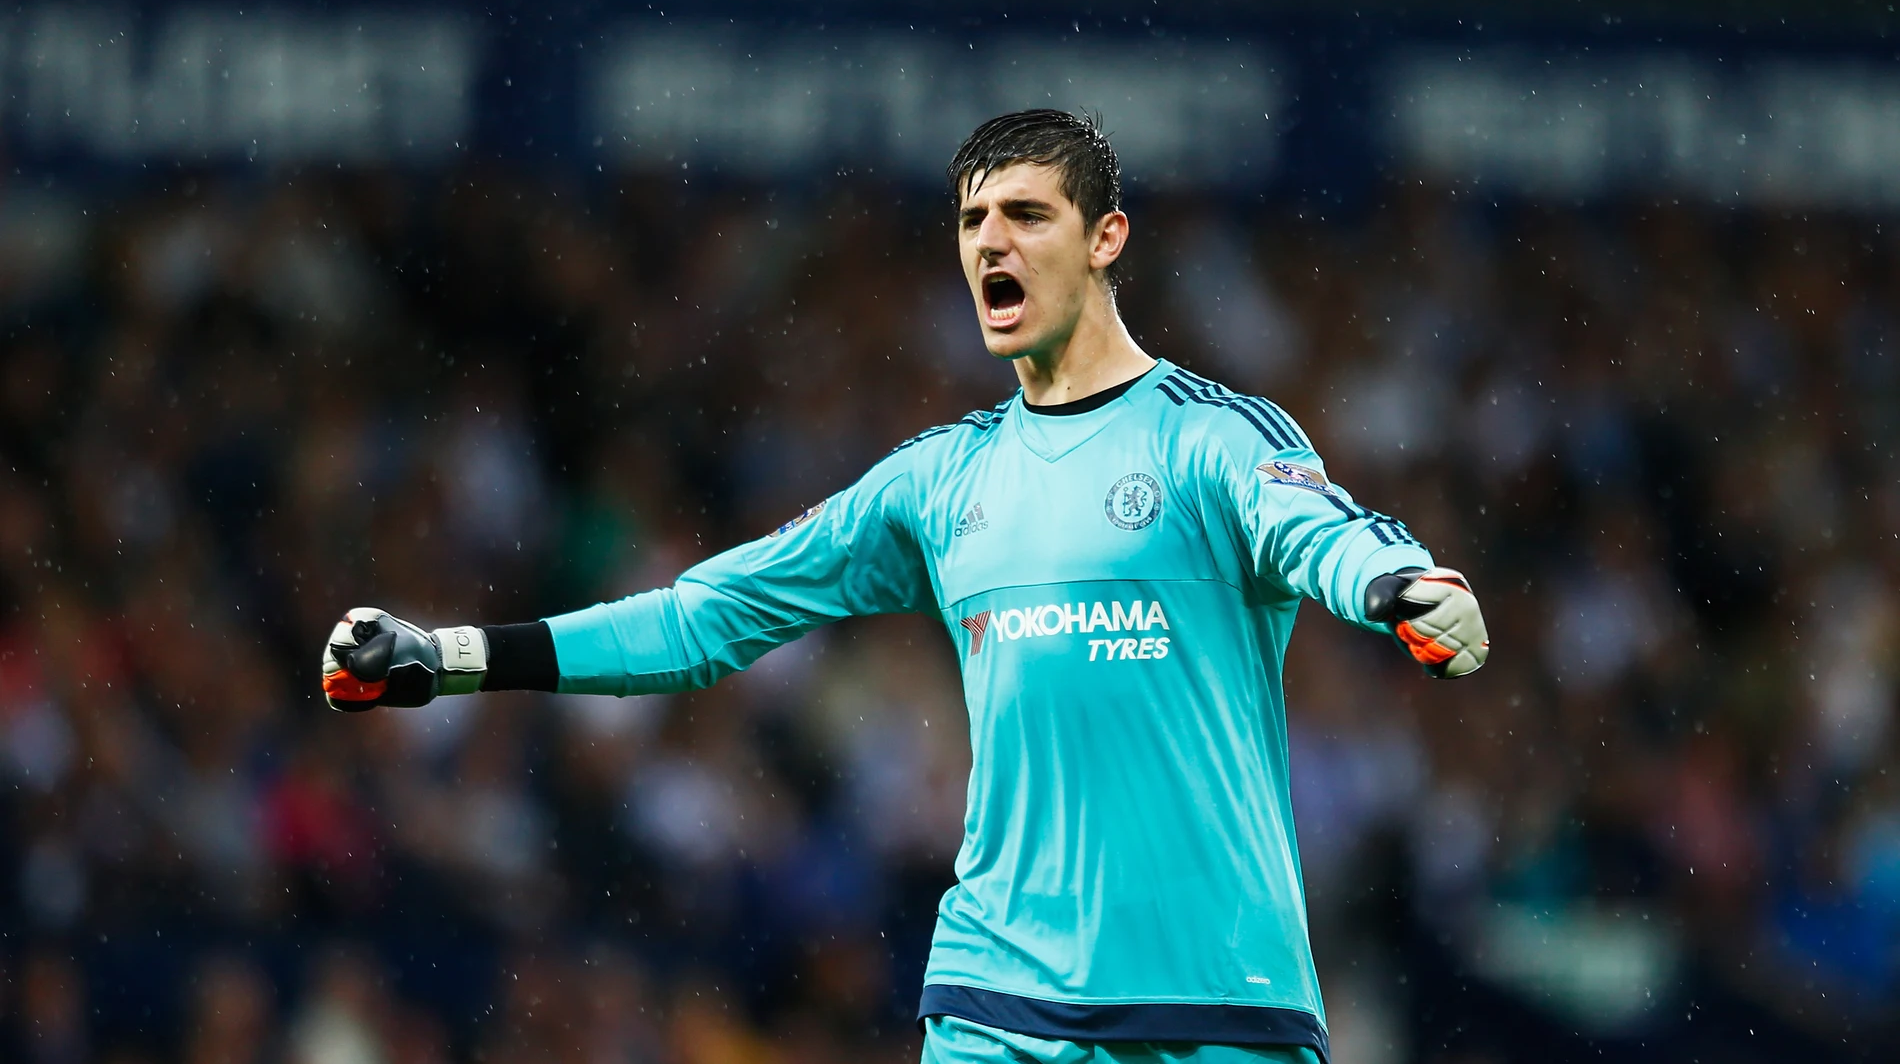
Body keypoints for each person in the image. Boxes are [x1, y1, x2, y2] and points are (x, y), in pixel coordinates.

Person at [320, 109, 1489, 1064]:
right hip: (997, 1002)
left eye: (1028, 214)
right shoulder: (939, 479)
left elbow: (1321, 530)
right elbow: (702, 619)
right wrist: (455, 654)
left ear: (1106, 239)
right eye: (973, 220)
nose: (992, 243)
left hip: (1215, 998)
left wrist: (1399, 584)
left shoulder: (1209, 438)